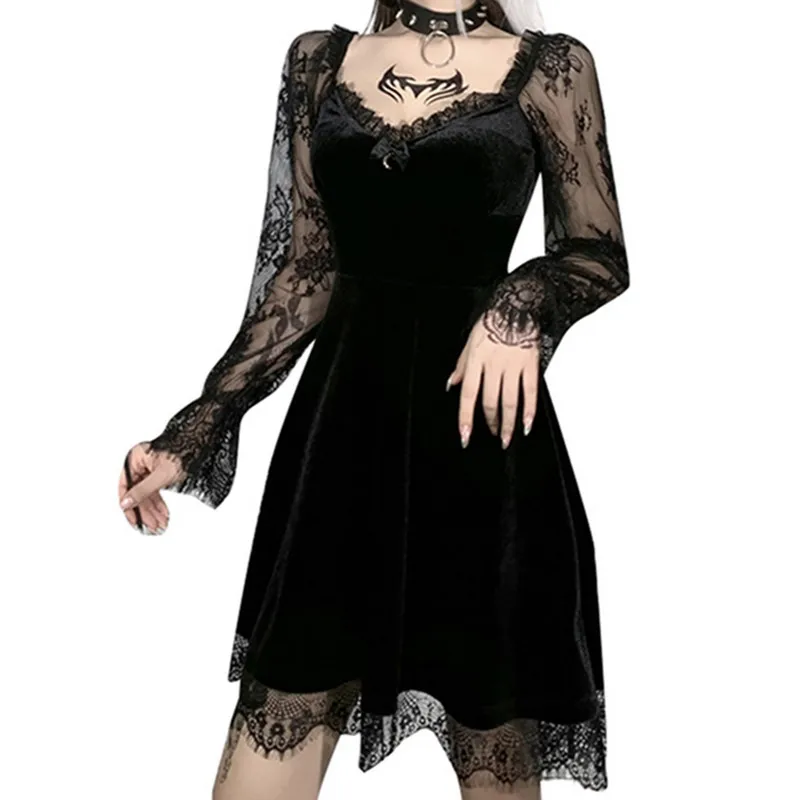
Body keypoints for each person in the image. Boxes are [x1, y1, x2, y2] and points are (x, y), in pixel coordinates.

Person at [117, 1, 630, 797]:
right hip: (339, 453)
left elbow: (596, 250)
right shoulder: (317, 61)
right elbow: (303, 274)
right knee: (268, 741)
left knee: (494, 751)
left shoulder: (553, 67)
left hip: (485, 454)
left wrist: (520, 305)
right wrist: (197, 428)